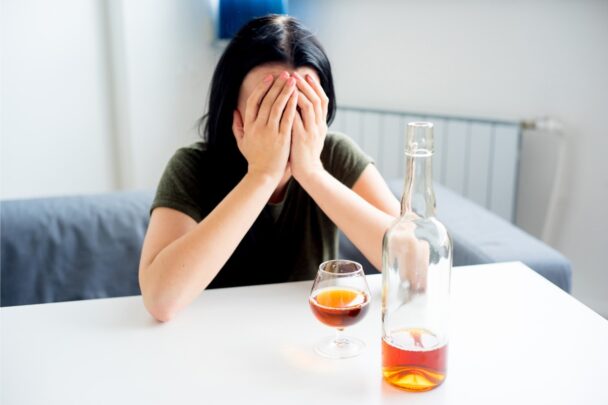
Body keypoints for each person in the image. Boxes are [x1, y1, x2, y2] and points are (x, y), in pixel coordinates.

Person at [139, 15, 400, 322]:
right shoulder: (192, 166)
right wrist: (261, 176)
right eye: (268, 105)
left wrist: (313, 173)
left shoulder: (336, 154)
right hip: (214, 336)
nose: (286, 120)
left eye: (302, 105)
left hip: (307, 335)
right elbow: (160, 301)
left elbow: (417, 267)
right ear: (233, 112)